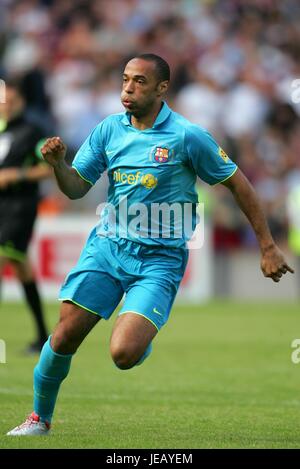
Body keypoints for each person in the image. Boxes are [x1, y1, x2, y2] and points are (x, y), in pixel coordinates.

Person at [7, 54, 294, 435]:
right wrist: (60, 166)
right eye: (125, 79)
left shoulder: (187, 136)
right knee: (63, 336)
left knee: (124, 354)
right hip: (108, 248)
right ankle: (38, 419)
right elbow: (77, 188)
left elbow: (238, 184)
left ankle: (140, 337)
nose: (128, 88)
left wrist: (267, 245)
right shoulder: (109, 129)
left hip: (160, 259)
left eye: (140, 81)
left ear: (162, 88)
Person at [0, 79, 51, 353]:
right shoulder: (2, 130)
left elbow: (49, 169)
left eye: (8, 99)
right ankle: (43, 336)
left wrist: (15, 175)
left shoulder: (33, 132)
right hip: (1, 205)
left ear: (20, 101)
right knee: (23, 269)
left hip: (20, 207)